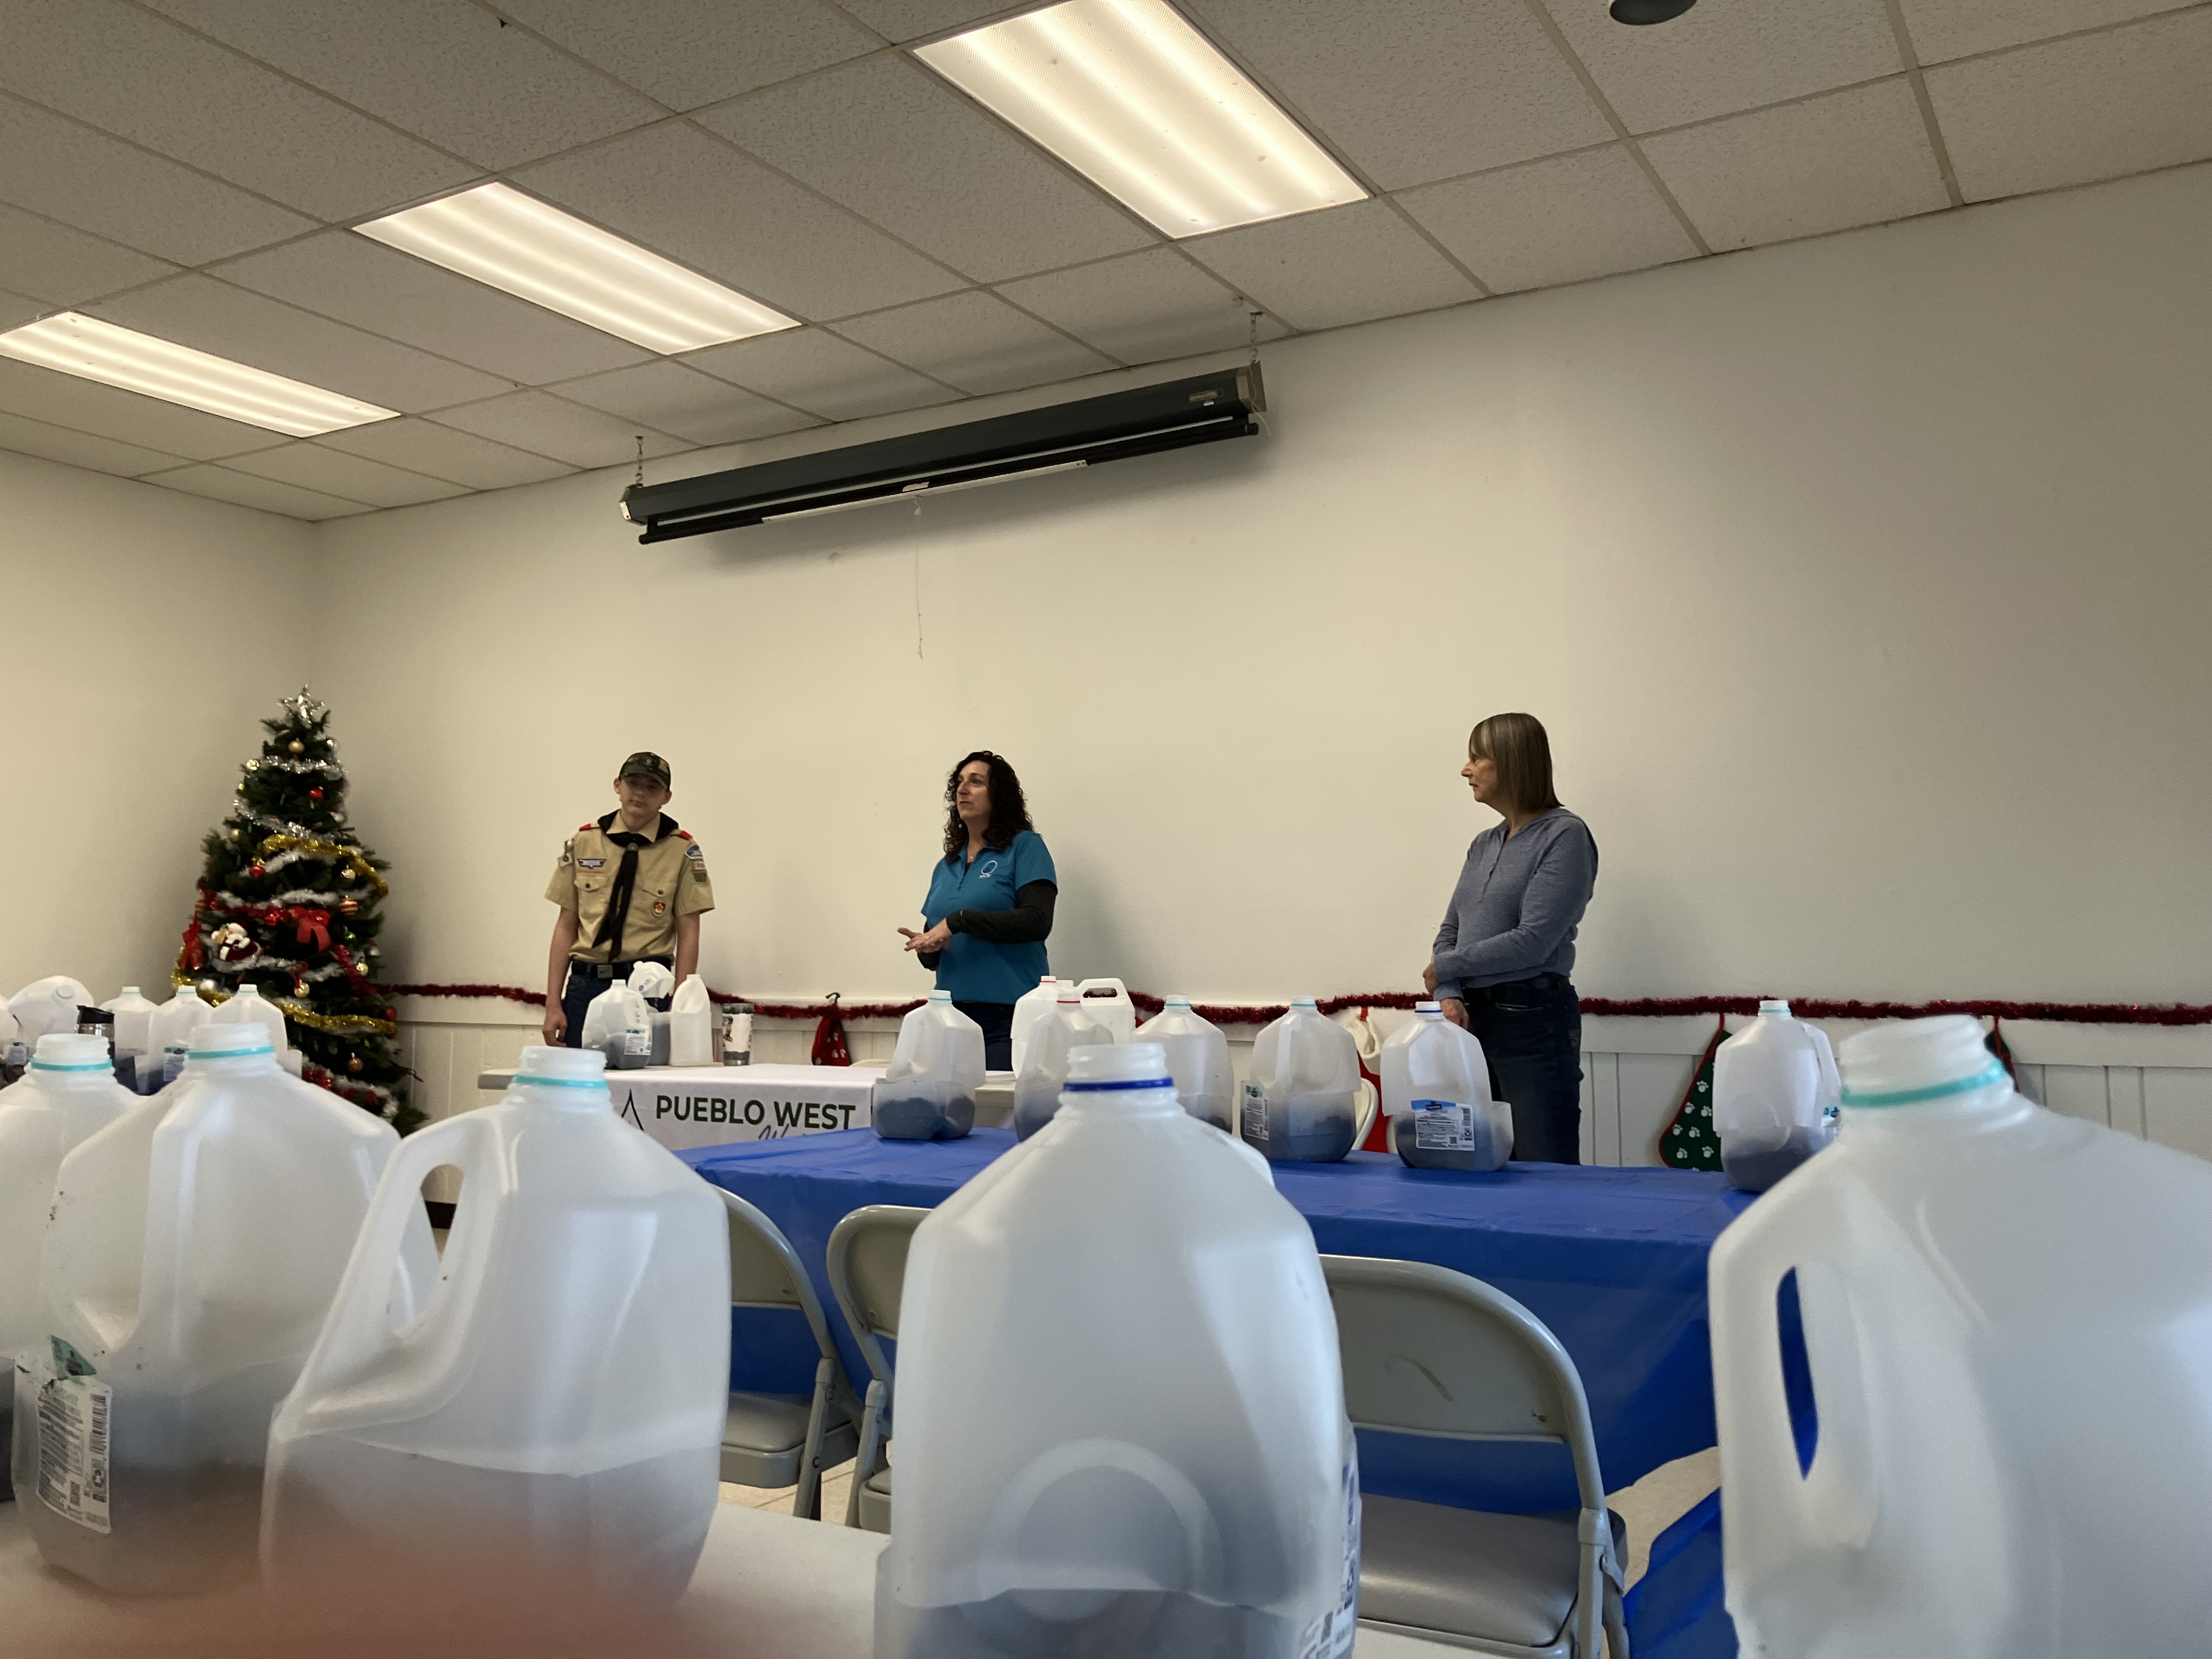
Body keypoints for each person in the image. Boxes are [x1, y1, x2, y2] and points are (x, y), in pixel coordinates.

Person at [1424, 713, 1598, 1164]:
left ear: (1512, 762)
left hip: (1532, 1023)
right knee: (1481, 1165)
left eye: (1477, 758)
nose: (1466, 770)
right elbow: (1450, 930)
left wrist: (1446, 969)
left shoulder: (1565, 835)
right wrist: (1448, 992)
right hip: (1470, 1024)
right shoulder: (1484, 843)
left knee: (1542, 1165)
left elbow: (1533, 941)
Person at [542, 752, 714, 1047]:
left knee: (647, 1071)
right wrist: (552, 1004)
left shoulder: (682, 850)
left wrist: (681, 1003)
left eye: (652, 787)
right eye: (633, 783)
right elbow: (566, 925)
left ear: (666, 797)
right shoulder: (584, 842)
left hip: (647, 987)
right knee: (580, 1072)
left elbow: (689, 933)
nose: (641, 793)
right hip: (587, 984)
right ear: (617, 785)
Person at [899, 751, 1056, 1070]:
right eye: (959, 782)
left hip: (1009, 1017)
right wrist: (928, 948)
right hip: (950, 1018)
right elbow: (936, 948)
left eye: (976, 782)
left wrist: (961, 921)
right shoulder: (946, 865)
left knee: (995, 1101)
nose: (963, 789)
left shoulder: (1026, 847)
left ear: (999, 795)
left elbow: (1037, 922)